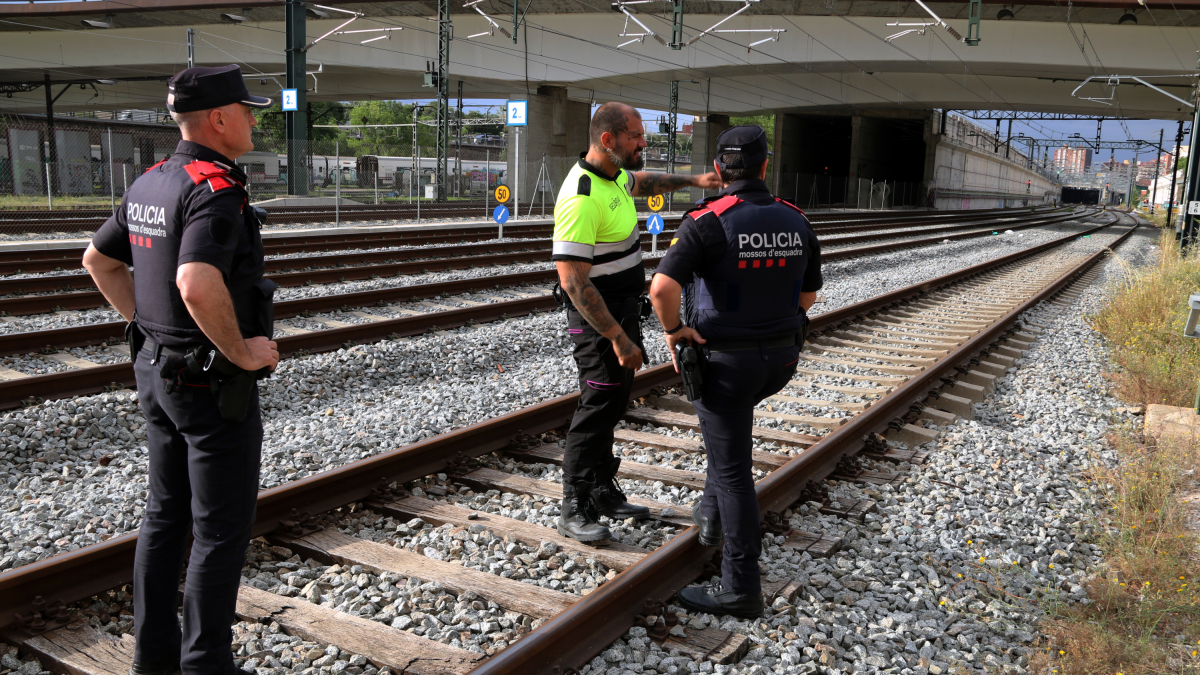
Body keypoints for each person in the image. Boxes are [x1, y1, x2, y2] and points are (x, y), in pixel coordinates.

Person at [81, 65, 278, 675]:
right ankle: (206, 667)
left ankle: (155, 661)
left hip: (156, 371)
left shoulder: (150, 182)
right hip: (209, 384)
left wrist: (153, 329)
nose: (253, 118)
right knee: (218, 532)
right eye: (247, 110)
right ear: (219, 119)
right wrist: (241, 352)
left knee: (165, 517)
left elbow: (98, 261)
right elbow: (196, 282)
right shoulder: (214, 188)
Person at [648, 125, 822, 617]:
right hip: (780, 361)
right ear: (767, 166)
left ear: (720, 170)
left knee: (733, 470)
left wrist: (676, 331)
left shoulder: (707, 220)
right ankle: (711, 515)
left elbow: (662, 290)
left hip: (725, 364)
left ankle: (741, 585)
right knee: (726, 441)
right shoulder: (796, 219)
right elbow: (808, 296)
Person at [552, 102, 721, 543]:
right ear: (608, 141)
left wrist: (696, 180)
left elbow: (644, 181)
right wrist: (617, 338)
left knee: (614, 399)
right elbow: (572, 280)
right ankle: (574, 504)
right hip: (598, 319)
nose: (644, 143)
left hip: (622, 313)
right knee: (598, 401)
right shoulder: (582, 194)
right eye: (636, 136)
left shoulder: (615, 177)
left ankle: (603, 490)